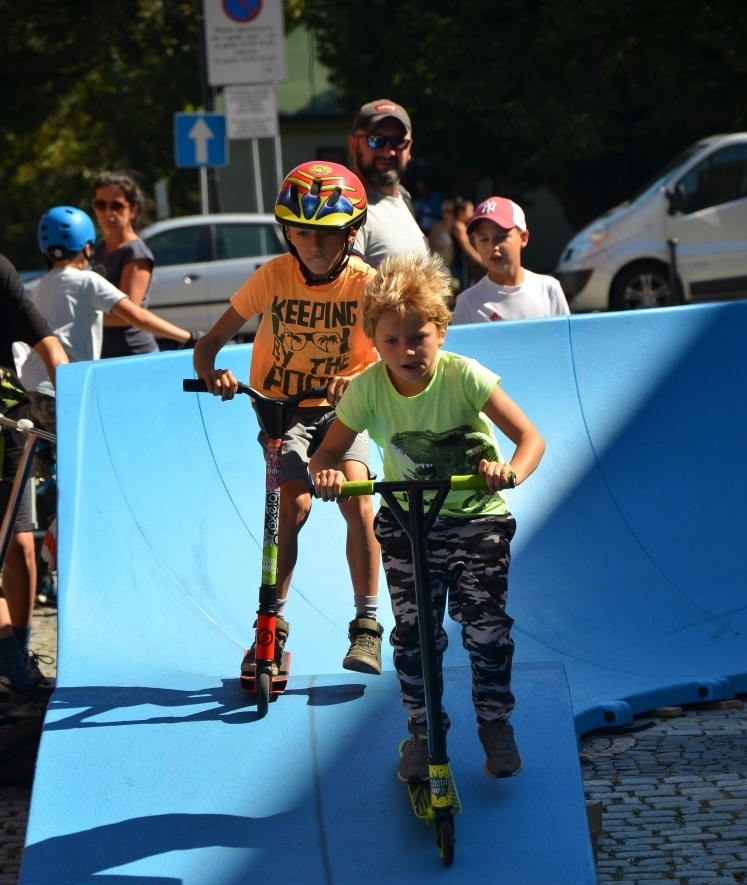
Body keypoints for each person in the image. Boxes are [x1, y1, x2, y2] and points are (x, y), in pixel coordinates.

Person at [310, 252, 545, 780]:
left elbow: (531, 439)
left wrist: (507, 471)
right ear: (373, 340)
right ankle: (422, 730)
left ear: (441, 331)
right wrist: (326, 473)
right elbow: (327, 453)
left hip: (477, 521)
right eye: (391, 341)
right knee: (415, 638)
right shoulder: (369, 386)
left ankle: (494, 723)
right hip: (409, 523)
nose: (406, 351)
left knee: (486, 631)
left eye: (418, 337)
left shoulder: (464, 377)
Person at [192, 161, 384, 679]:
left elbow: (395, 350)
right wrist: (216, 375)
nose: (316, 248)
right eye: (303, 234)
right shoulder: (272, 277)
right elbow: (208, 344)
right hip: (281, 411)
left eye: (329, 236)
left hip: (346, 410)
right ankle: (269, 625)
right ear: (287, 233)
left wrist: (360, 381)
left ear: (352, 234)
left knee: (358, 499)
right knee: (291, 508)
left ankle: (366, 626)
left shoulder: (368, 283)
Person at [21, 207, 193, 421]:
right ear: (87, 247)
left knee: (44, 452)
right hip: (60, 387)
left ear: (46, 251)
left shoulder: (41, 285)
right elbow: (138, 316)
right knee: (81, 451)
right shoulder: (88, 280)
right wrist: (188, 337)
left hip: (31, 386)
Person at [0, 254, 68, 708]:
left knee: (22, 547)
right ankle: (9, 664)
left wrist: (74, 400)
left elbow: (49, 344)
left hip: (10, 419)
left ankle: (18, 654)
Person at [451, 197, 570, 324]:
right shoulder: (468, 302)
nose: (493, 246)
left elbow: (566, 342)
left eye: (501, 237)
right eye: (484, 239)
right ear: (476, 243)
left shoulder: (549, 289)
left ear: (523, 238)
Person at [347, 100, 428, 267]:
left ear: (409, 148)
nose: (388, 151)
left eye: (399, 141)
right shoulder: (347, 207)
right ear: (353, 145)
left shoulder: (403, 198)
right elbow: (345, 287)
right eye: (376, 140)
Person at [91, 170, 160, 357]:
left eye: (117, 206)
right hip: (105, 353)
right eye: (100, 204)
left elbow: (127, 315)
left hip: (134, 353)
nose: (108, 212)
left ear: (133, 210)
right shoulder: (100, 247)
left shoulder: (135, 253)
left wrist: (84, 315)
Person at [449, 197, 485, 294]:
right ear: (461, 212)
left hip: (463, 264)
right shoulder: (459, 226)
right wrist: (482, 261)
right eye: (470, 210)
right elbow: (466, 247)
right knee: (465, 290)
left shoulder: (462, 225)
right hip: (461, 265)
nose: (472, 214)